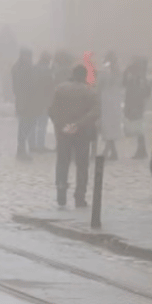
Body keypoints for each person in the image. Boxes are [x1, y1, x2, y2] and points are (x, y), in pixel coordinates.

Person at [49, 64, 100, 209]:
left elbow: (52, 110)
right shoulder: (90, 92)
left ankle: (61, 190)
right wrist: (78, 124)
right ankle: (80, 196)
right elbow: (96, 112)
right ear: (84, 76)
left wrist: (61, 125)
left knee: (62, 162)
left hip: (63, 132)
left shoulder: (60, 89)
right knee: (82, 165)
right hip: (82, 133)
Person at [123, 56, 152, 159]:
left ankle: (141, 151)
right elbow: (124, 84)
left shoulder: (141, 79)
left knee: (139, 130)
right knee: (138, 130)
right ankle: (141, 150)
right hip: (135, 106)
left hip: (137, 106)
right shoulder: (135, 78)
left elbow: (143, 94)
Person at [98, 51, 123, 160]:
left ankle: (108, 151)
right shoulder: (116, 70)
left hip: (108, 100)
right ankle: (112, 151)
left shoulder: (107, 71)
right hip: (114, 100)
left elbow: (101, 84)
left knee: (108, 127)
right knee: (110, 127)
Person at [11, 49, 36, 160]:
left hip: (21, 101)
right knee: (26, 124)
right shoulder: (27, 68)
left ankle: (21, 149)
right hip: (28, 102)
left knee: (23, 125)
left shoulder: (17, 67)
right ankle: (21, 149)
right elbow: (31, 85)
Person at [0, 27, 19, 105]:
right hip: (7, 61)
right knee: (8, 78)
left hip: (5, 61)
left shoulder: (0, 39)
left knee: (6, 78)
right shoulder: (12, 39)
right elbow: (15, 49)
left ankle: (7, 95)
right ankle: (8, 95)